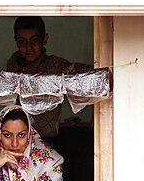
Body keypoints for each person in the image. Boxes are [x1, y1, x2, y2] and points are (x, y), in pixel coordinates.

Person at [7, 16, 93, 146]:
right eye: (22, 41)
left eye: (34, 40)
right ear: (16, 42)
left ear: (45, 39)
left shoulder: (55, 65)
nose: (28, 47)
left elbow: (88, 73)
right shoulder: (12, 66)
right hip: (16, 140)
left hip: (45, 139)